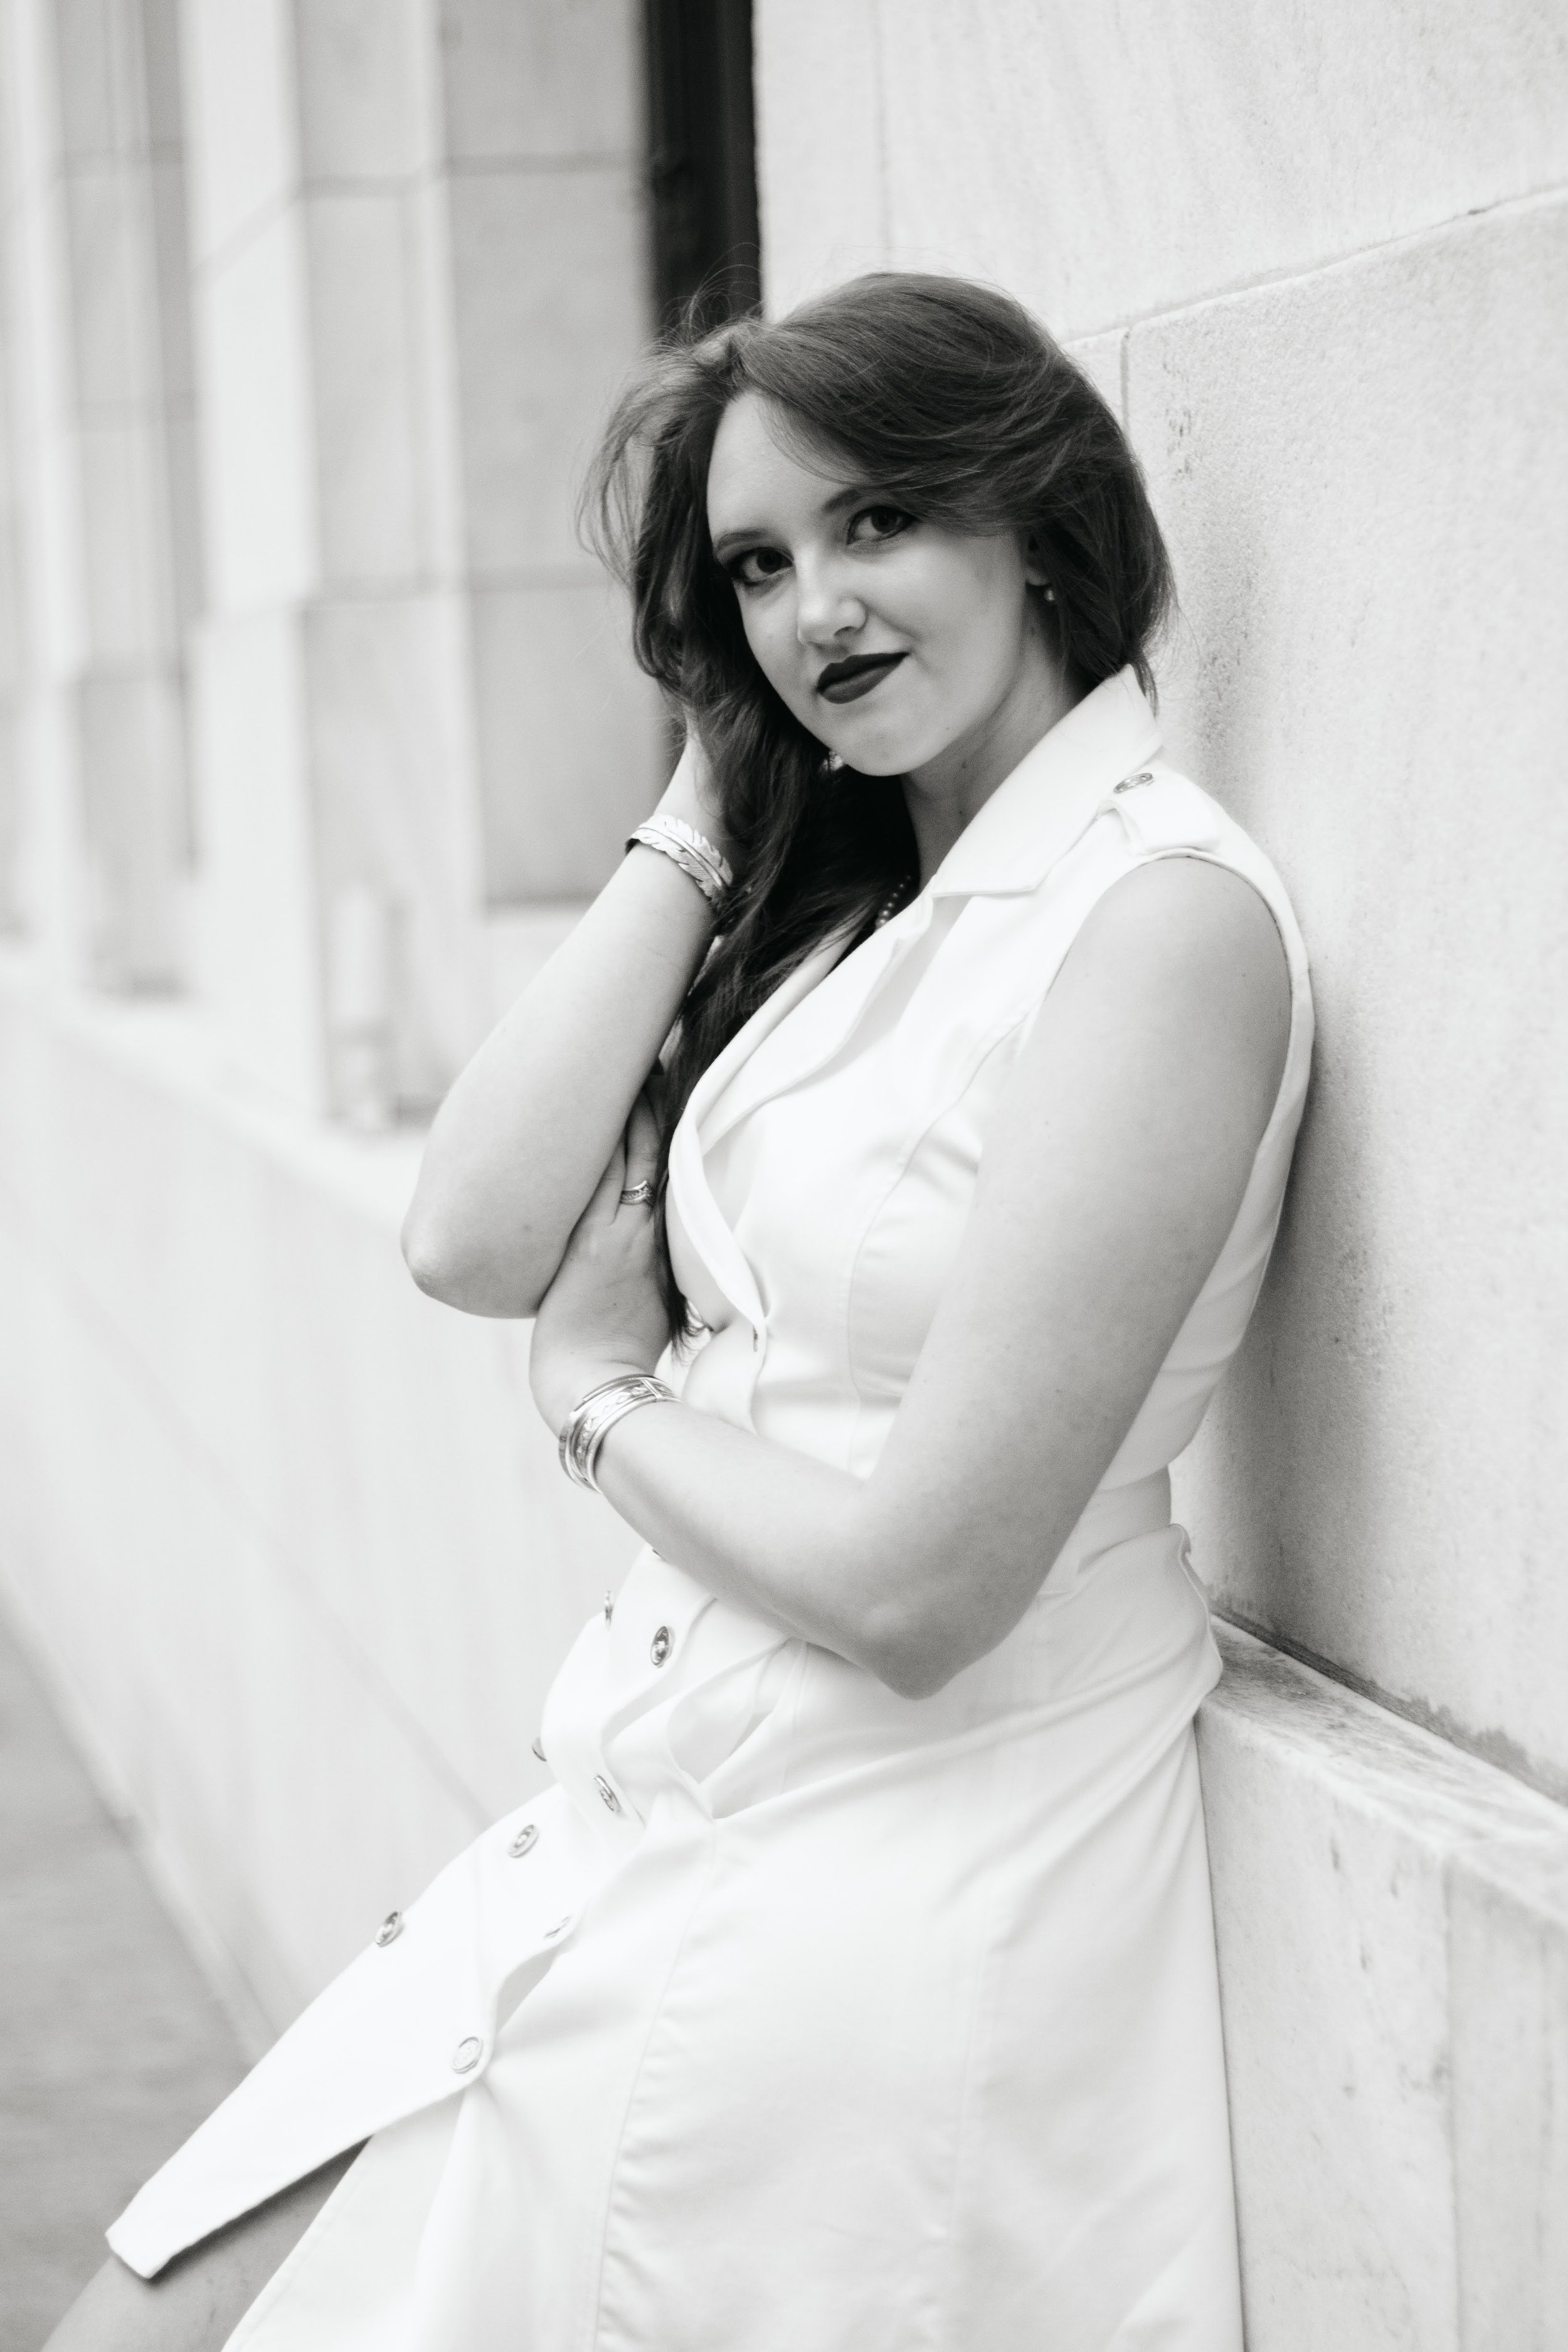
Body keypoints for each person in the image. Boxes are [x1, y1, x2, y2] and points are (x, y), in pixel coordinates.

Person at [52, 273, 1308, 2351]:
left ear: (1034, 521)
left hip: (879, 1892)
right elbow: (468, 1230)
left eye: (876, 521)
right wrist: (715, 797)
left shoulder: (1153, 923)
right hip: (635, 1825)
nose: (816, 606)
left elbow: (923, 1584)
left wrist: (599, 1402)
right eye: (756, 567)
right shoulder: (850, 920)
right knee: (151, 2310)